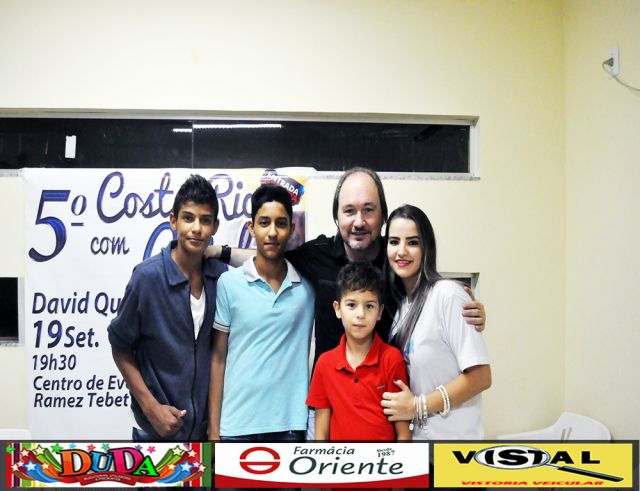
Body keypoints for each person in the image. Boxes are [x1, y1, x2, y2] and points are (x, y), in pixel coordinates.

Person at [210, 167, 487, 368]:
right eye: (349, 210)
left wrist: (461, 306)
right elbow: (267, 258)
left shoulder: (396, 260)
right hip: (329, 403)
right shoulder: (317, 255)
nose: (359, 221)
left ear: (382, 215)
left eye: (368, 210)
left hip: (386, 402)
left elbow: (429, 291)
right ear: (336, 216)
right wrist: (216, 252)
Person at [107, 174, 227, 441]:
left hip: (205, 435)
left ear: (215, 226)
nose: (196, 228)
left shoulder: (221, 278)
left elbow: (266, 261)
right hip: (154, 433)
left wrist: (214, 427)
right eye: (188, 218)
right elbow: (120, 346)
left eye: (205, 220)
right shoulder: (147, 277)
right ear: (173, 221)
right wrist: (151, 408)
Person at [209, 184, 314, 442]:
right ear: (251, 227)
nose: (272, 232)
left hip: (288, 427)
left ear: (291, 229)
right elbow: (218, 359)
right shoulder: (229, 284)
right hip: (235, 427)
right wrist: (213, 430)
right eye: (264, 223)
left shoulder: (308, 288)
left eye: (281, 223)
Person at [381, 205, 491, 439]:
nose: (401, 251)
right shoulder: (400, 307)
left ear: (426, 248)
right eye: (394, 242)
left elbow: (481, 377)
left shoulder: (448, 295)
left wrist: (418, 406)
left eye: (413, 242)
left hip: (454, 446)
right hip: (420, 446)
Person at [307, 262, 411, 441]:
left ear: (380, 312)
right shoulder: (324, 364)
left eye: (369, 306)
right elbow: (321, 436)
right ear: (337, 309)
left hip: (384, 458)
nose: (360, 314)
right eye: (351, 305)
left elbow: (403, 432)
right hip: (340, 459)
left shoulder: (392, 359)